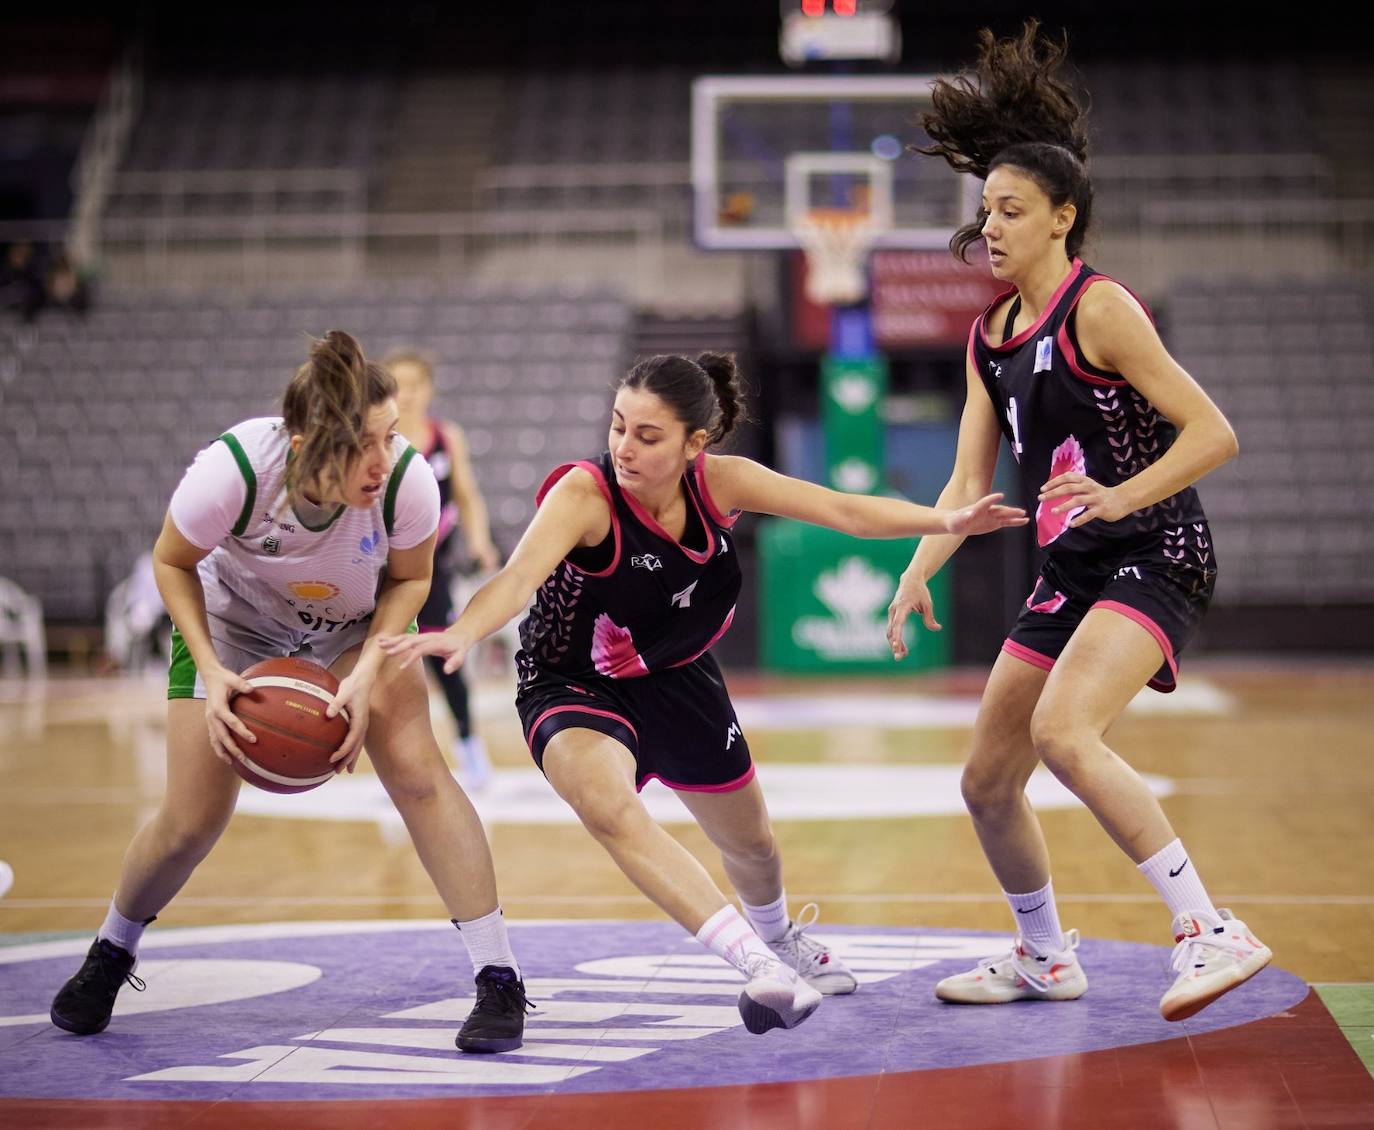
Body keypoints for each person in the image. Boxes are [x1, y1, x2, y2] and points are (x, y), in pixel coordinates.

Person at [379, 352, 1027, 1034]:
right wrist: (463, 632)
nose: (624, 447)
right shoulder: (584, 494)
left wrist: (946, 522)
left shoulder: (722, 483)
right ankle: (759, 966)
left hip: (680, 676)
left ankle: (778, 938)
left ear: (694, 444)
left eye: (647, 436)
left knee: (754, 846)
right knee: (609, 808)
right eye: (618, 426)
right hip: (571, 683)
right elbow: (515, 580)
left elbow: (843, 510)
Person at [886, 22, 1271, 1021]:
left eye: (1012, 210)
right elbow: (964, 482)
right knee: (985, 781)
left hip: (1157, 550)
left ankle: (1210, 928)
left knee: (1064, 730)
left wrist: (1120, 495)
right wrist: (917, 569)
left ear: (1063, 218)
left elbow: (1214, 432)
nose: (992, 226)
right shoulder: (988, 336)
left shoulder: (1101, 310)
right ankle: (1046, 955)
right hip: (1074, 569)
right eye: (986, 210)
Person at [49, 331, 528, 1053]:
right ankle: (112, 951)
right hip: (234, 621)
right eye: (365, 444)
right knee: (191, 820)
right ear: (305, 445)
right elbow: (171, 561)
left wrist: (366, 671)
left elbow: (411, 579)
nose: (386, 458)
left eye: (392, 435)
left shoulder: (407, 480)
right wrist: (210, 669)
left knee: (419, 775)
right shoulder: (235, 469)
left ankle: (499, 977)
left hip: (355, 622)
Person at [384, 348, 500, 790]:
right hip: (385, 567)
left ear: (429, 389)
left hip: (433, 567)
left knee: (444, 655)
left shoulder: (446, 436)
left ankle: (469, 744)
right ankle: (395, 758)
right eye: (397, 385)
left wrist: (479, 541)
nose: (407, 394)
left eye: (415, 385)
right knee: (387, 661)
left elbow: (467, 496)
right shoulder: (377, 440)